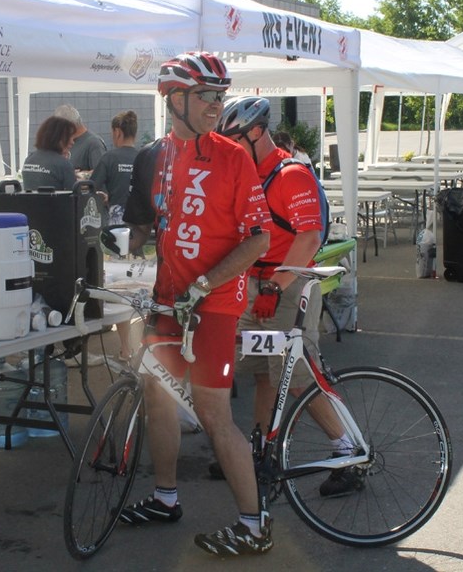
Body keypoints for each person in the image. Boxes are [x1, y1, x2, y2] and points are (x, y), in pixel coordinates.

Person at [119, 52, 275, 556]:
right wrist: (120, 241)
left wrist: (205, 283)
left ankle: (253, 526)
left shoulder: (233, 157)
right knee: (156, 393)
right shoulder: (150, 158)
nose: (217, 105)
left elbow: (258, 241)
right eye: (208, 96)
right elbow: (142, 229)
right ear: (175, 99)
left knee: (212, 412)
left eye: (220, 96)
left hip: (214, 302)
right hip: (167, 300)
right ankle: (166, 497)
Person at [214, 96, 360, 497]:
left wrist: (276, 284)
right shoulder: (247, 173)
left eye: (234, 140)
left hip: (287, 284)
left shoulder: (291, 174)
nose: (229, 149)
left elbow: (309, 236)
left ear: (257, 132)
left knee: (295, 379)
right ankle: (259, 453)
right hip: (255, 283)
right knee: (262, 372)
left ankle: (346, 452)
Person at [91, 110, 141, 363]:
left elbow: (92, 189)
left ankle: (125, 349)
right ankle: (148, 349)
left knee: (121, 292)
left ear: (118, 132)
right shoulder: (146, 156)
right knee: (147, 291)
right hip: (146, 235)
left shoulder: (109, 159)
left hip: (116, 236)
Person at [21, 116, 77, 191]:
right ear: (59, 138)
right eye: (70, 137)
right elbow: (74, 195)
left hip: (30, 202)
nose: (72, 142)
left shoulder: (29, 160)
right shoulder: (63, 165)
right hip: (55, 202)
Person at [53, 104, 107, 175]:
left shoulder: (94, 144)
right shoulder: (64, 142)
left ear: (70, 126)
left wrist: (79, 175)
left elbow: (102, 174)